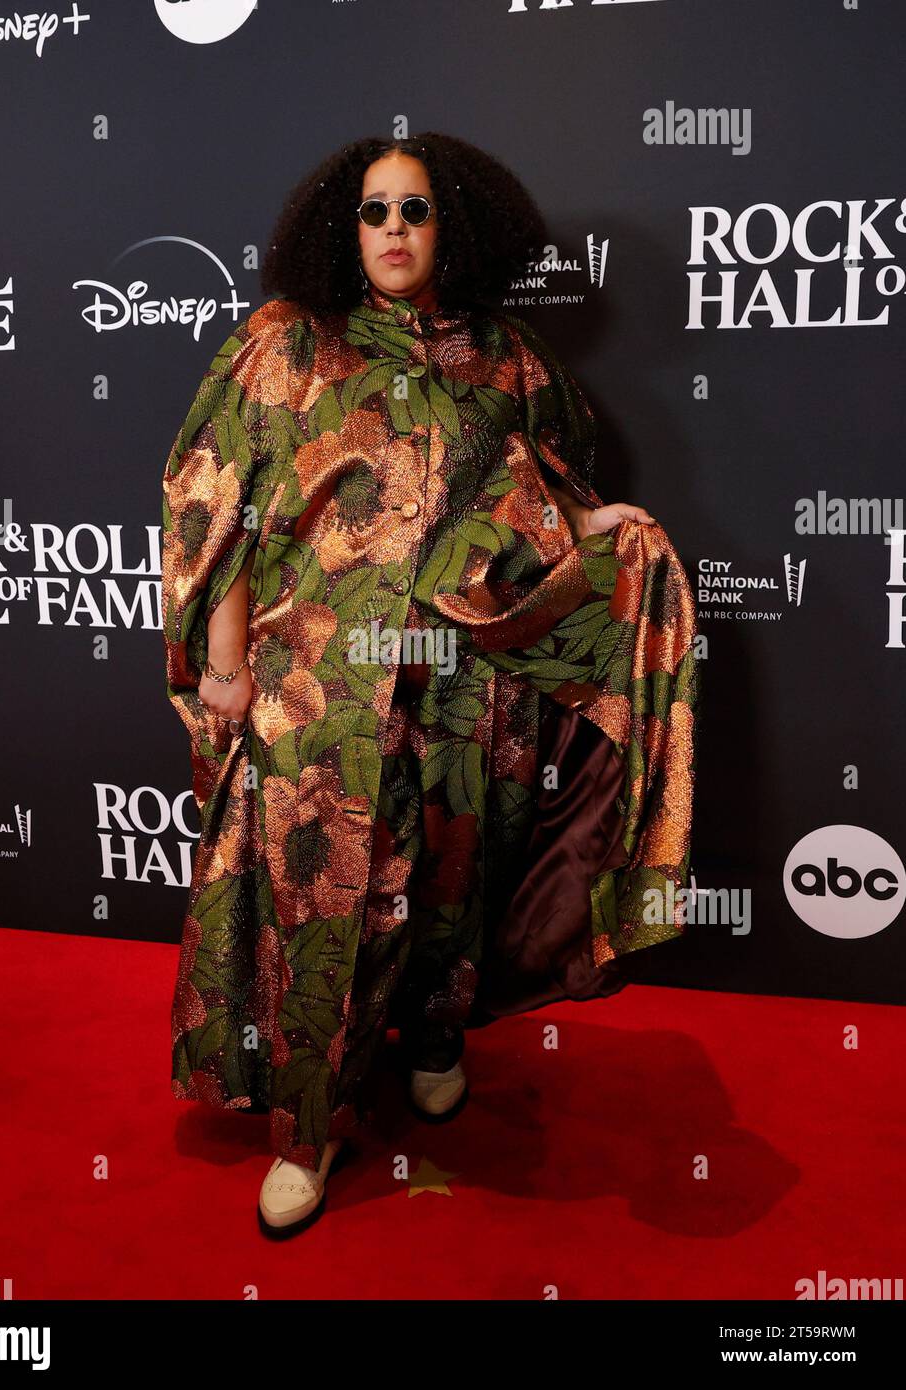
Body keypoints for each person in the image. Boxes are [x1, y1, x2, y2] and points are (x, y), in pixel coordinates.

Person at [160, 132, 700, 1238]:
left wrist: (598, 526)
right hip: (315, 690)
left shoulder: (509, 359)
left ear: (451, 223)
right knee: (317, 903)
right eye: (372, 211)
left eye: (413, 209)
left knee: (451, 879)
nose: (393, 230)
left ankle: (440, 1037)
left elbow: (539, 493)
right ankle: (305, 1129)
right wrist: (223, 669)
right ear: (339, 226)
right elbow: (219, 514)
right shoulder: (280, 349)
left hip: (465, 688)